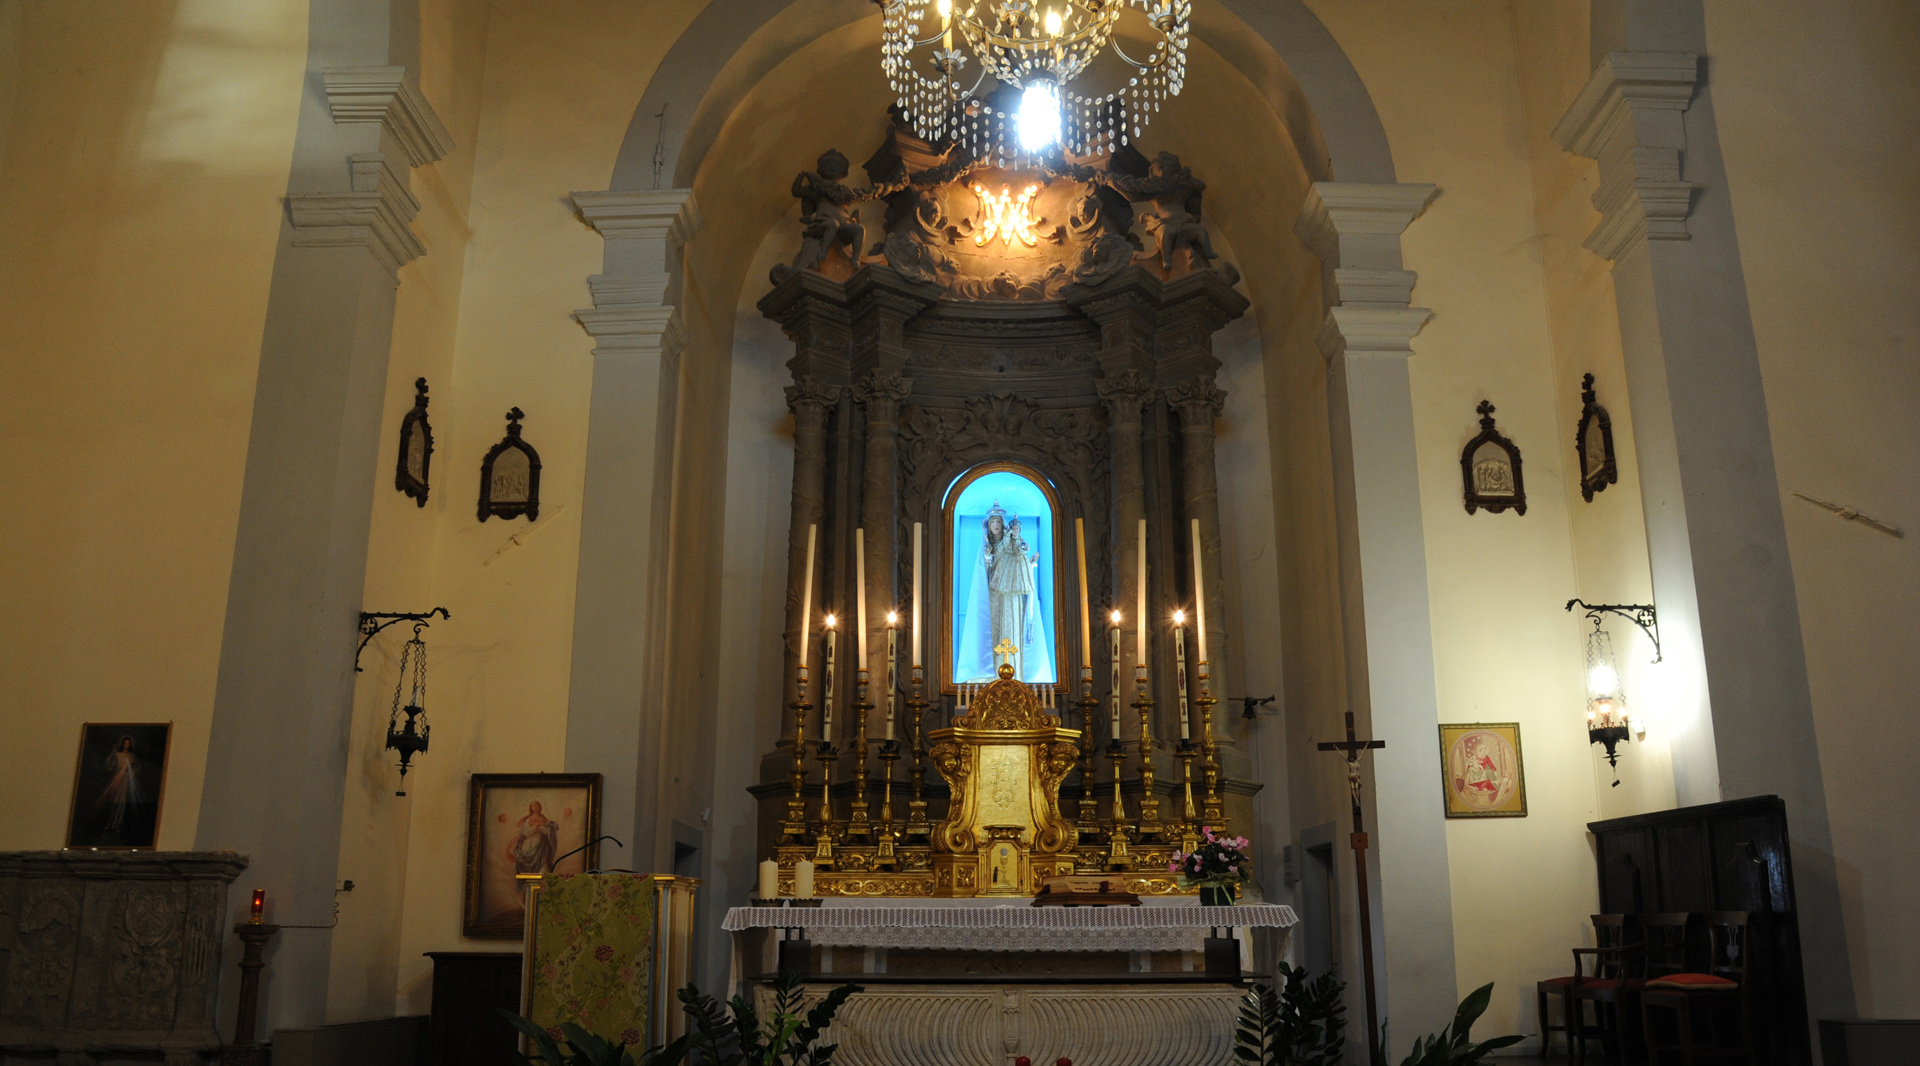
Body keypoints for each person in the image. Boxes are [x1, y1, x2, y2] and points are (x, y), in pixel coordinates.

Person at [94, 735, 141, 833]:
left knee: (122, 803)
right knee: (114, 801)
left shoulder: (131, 755)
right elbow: (110, 767)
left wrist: (134, 763)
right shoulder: (117, 754)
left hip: (126, 779)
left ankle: (117, 825)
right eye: (125, 743)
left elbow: (135, 771)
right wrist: (113, 754)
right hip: (117, 779)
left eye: (128, 743)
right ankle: (109, 823)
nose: (127, 745)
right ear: (122, 743)